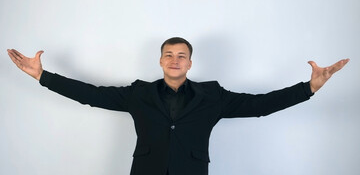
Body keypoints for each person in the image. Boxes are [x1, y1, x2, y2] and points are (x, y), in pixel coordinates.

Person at [7, 37, 349, 175]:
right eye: (169, 55)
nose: (175, 59)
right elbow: (91, 94)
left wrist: (309, 88)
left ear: (189, 63)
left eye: (181, 55)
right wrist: (43, 76)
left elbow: (261, 105)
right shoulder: (138, 94)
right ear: (160, 61)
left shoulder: (213, 96)